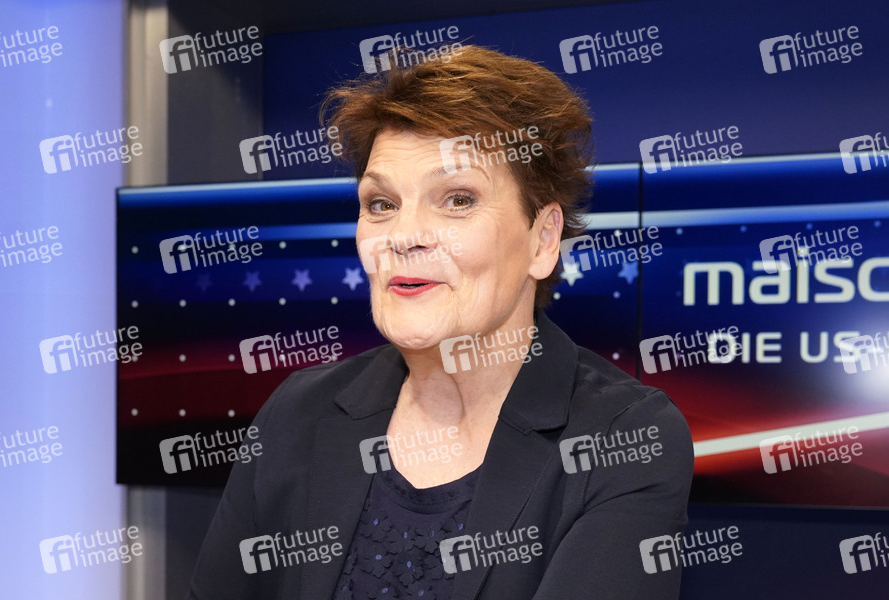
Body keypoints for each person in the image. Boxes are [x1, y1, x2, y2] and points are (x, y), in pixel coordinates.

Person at [186, 45, 693, 600]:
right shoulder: (299, 410)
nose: (404, 236)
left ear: (543, 240)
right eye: (381, 204)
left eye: (457, 200)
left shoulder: (626, 436)